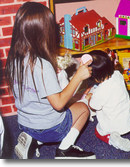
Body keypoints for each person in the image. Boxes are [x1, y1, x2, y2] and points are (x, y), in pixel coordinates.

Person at [5, 2, 96, 159]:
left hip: (24, 123)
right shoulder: (42, 66)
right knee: (83, 109)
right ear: (42, 32)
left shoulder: (14, 59)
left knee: (66, 103)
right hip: (50, 128)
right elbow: (59, 104)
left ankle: (32, 139)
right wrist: (78, 76)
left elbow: (31, 89)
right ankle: (65, 150)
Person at [84, 50, 130, 152]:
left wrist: (90, 97)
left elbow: (94, 106)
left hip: (113, 125)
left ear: (95, 78)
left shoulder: (101, 91)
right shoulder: (118, 75)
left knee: (98, 131)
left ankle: (112, 139)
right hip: (128, 120)